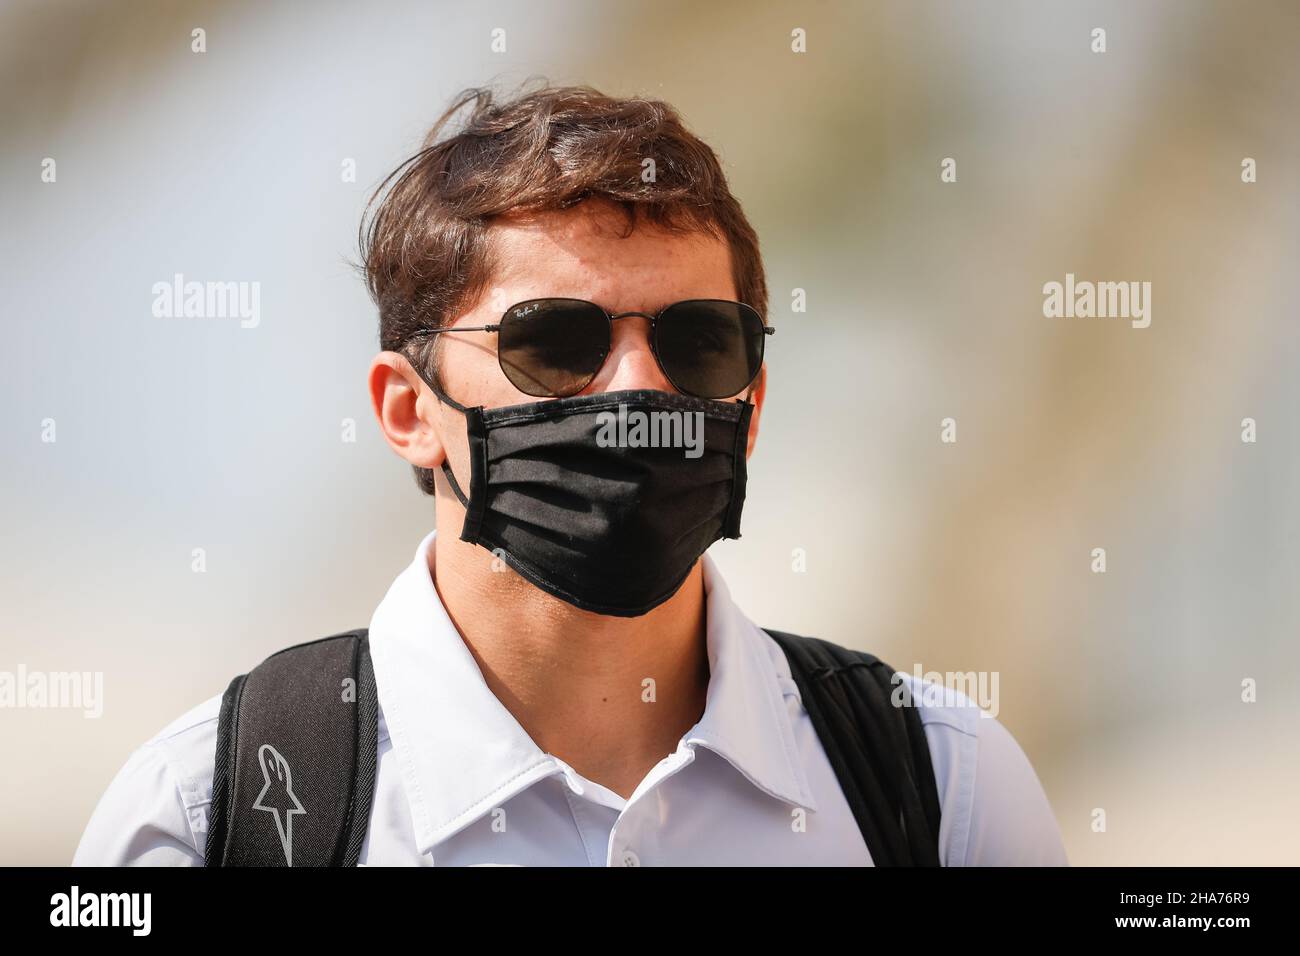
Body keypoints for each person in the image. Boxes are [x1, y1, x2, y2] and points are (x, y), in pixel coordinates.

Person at [73, 84, 1067, 866]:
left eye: (699, 343)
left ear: (751, 406)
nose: (637, 386)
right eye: (555, 342)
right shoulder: (210, 814)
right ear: (408, 410)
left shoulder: (939, 784)